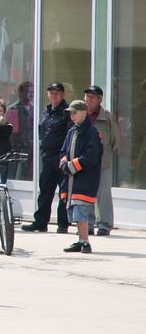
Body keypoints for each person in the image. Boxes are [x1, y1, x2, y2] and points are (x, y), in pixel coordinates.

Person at [23, 82, 71, 233]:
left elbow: (70, 135)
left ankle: (63, 224)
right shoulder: (46, 110)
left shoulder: (67, 112)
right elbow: (41, 130)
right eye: (51, 92)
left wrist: (65, 155)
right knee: (45, 190)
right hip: (48, 156)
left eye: (56, 93)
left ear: (62, 94)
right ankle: (41, 222)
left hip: (61, 155)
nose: (53, 95)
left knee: (63, 192)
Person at [59, 100, 102, 253]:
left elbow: (91, 157)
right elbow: (63, 151)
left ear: (84, 112)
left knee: (80, 210)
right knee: (74, 209)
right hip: (72, 179)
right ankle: (81, 240)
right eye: (70, 113)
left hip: (84, 179)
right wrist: (63, 161)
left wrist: (71, 166)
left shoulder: (91, 132)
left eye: (74, 112)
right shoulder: (72, 131)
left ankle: (85, 242)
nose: (72, 116)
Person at [83, 85, 118, 236]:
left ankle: (104, 224)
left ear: (99, 99)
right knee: (86, 194)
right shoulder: (81, 116)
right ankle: (88, 224)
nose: (88, 100)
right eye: (87, 97)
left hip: (103, 162)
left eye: (92, 97)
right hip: (85, 162)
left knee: (103, 194)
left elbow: (115, 140)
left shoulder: (107, 117)